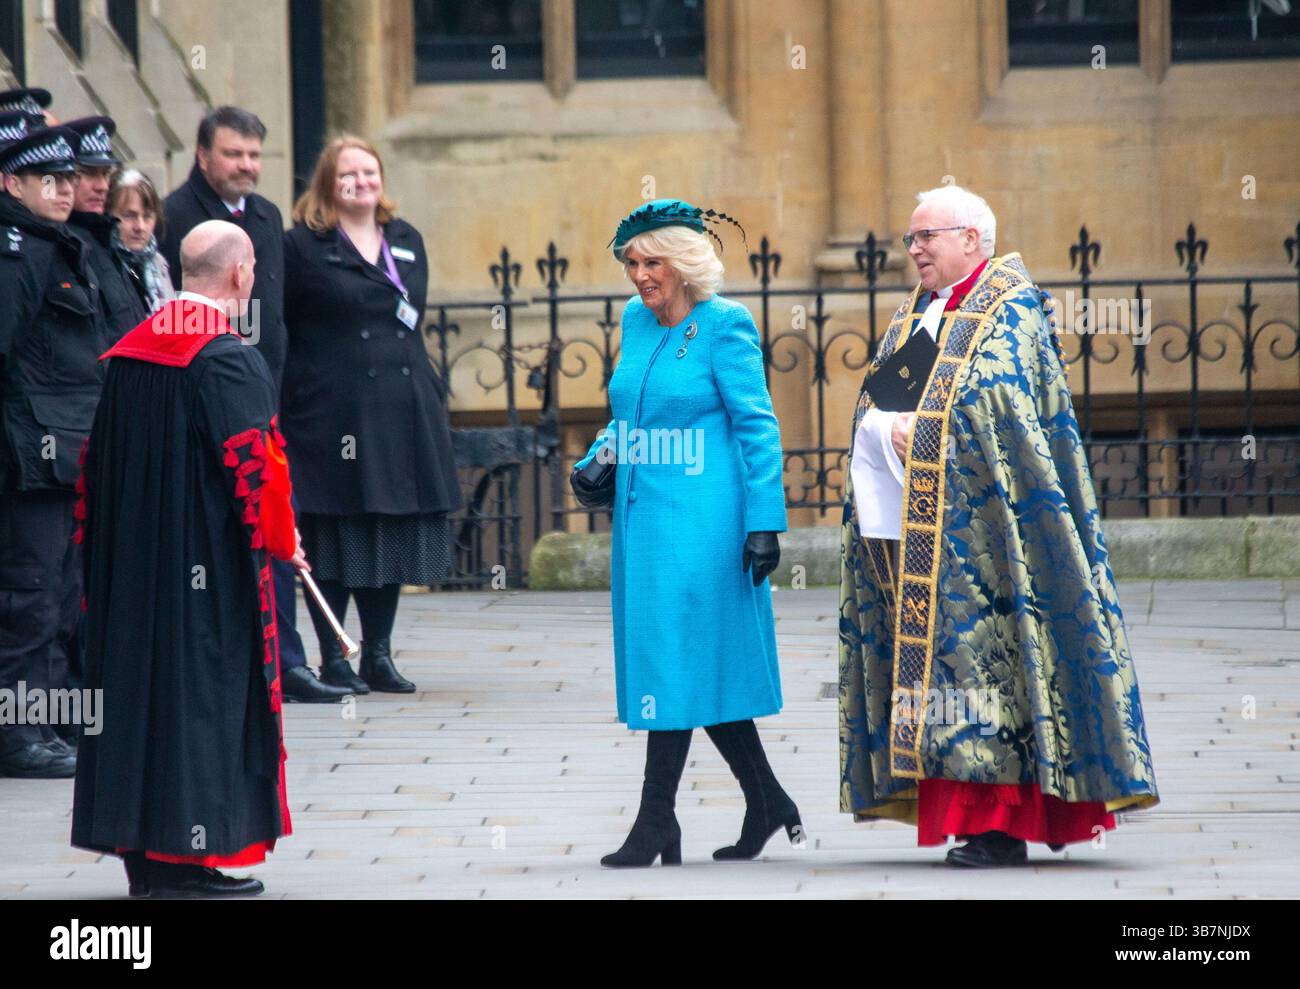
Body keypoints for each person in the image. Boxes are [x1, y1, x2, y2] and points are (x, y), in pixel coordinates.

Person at [838, 185, 1160, 867]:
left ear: (972, 241)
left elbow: (996, 405)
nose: (915, 248)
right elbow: (881, 398)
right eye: (911, 238)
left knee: (990, 664)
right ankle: (965, 811)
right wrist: (882, 426)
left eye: (928, 236)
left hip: (992, 537)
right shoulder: (919, 315)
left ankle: (1001, 824)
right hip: (922, 527)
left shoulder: (1010, 312)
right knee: (943, 677)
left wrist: (917, 432)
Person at [72, 220, 300, 897]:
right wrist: (283, 541)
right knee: (198, 703)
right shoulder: (227, 357)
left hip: (129, 570)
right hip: (205, 569)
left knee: (139, 704)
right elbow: (259, 466)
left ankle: (148, 858)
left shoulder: (127, 355)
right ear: (239, 274)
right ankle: (185, 861)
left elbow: (94, 470)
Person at [572, 199, 801, 868]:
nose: (640, 276)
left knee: (676, 655)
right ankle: (767, 800)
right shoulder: (637, 323)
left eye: (652, 262)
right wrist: (597, 462)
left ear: (685, 262)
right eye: (632, 263)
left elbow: (757, 425)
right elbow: (631, 411)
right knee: (689, 657)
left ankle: (654, 820)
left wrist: (765, 522)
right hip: (644, 519)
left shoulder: (726, 325)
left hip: (706, 519)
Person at [160, 105, 344, 702]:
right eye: (234, 153)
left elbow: (282, 309)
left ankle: (286, 661)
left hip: (265, 390)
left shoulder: (266, 217)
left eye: (255, 155)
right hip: (205, 391)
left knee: (274, 517)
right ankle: (232, 661)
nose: (247, 165)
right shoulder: (177, 217)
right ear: (203, 154)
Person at [280, 135, 461, 694]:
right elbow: (283, 322)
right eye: (347, 175)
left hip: (402, 408)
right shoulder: (302, 246)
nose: (361, 182)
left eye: (369, 172)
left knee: (390, 528)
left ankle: (376, 655)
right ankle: (335, 656)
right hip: (333, 411)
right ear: (326, 185)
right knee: (336, 530)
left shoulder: (405, 239)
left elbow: (413, 315)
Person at [0, 125, 102, 779]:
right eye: (49, 180)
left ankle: (52, 720)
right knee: (28, 595)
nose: (65, 189)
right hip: (26, 456)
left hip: (62, 451)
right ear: (11, 184)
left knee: (61, 594)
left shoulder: (53, 246)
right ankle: (16, 733)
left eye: (69, 179)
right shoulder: (16, 254)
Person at [64, 116, 147, 343]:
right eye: (88, 174)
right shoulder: (64, 243)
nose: (101, 186)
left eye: (105, 174)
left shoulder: (103, 235)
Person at [106, 168, 175, 313]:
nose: (140, 227)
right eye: (129, 215)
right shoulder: (101, 263)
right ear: (108, 214)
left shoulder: (159, 264)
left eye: (147, 216)